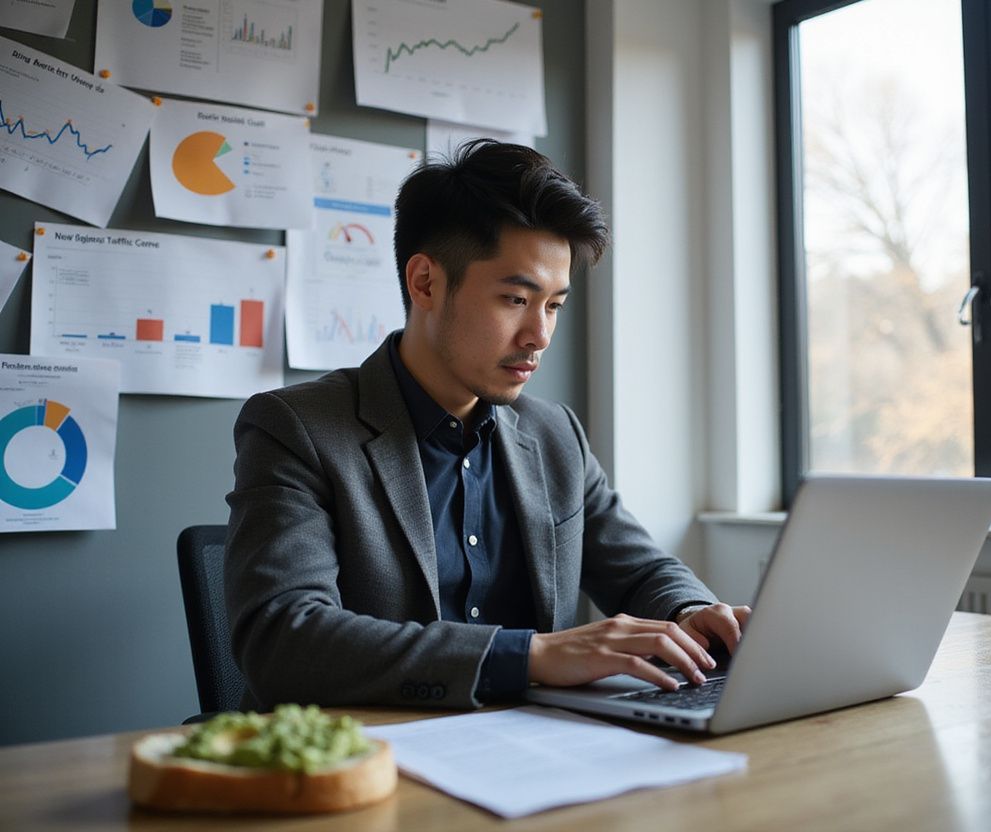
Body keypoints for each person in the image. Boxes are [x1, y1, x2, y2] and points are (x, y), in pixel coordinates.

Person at [225, 140, 750, 710]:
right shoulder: (297, 427)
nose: (539, 336)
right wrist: (531, 656)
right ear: (425, 283)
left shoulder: (554, 435)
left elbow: (639, 567)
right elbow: (282, 640)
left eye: (553, 305)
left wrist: (692, 613)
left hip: (535, 752)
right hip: (370, 758)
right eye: (515, 299)